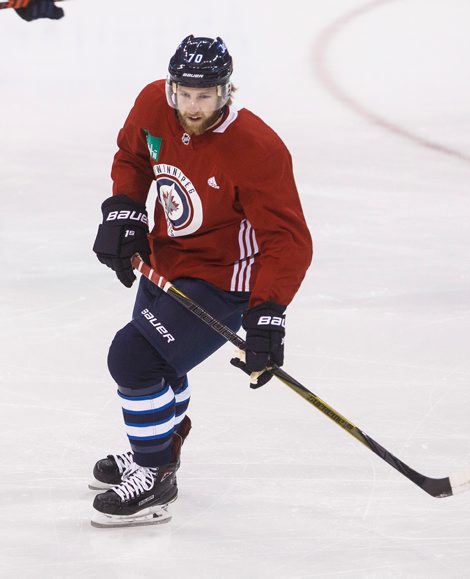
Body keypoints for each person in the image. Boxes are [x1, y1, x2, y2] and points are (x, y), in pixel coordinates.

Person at [91, 35, 313, 528]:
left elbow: (288, 239)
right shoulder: (154, 102)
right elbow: (131, 157)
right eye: (185, 93)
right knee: (161, 368)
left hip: (222, 281)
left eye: (205, 95)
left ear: (226, 91)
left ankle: (154, 476)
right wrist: (125, 210)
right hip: (167, 260)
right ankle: (157, 451)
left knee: (133, 356)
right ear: (172, 86)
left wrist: (268, 314)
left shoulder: (256, 148)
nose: (193, 106)